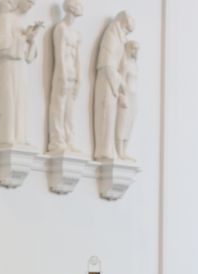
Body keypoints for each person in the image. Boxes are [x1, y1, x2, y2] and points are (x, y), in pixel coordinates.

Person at [0, 0, 43, 148]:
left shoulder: (22, 22)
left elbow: (29, 57)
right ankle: (7, 137)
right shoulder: (6, 18)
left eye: (33, 4)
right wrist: (24, 38)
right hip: (8, 66)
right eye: (29, 2)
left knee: (20, 101)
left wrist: (31, 41)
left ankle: (20, 137)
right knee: (9, 99)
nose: (31, 6)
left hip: (21, 67)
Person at [93, 11, 134, 161]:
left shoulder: (119, 38)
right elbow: (106, 64)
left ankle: (110, 149)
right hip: (107, 81)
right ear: (122, 24)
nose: (126, 34)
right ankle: (104, 151)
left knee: (112, 116)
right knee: (106, 114)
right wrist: (120, 82)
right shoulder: (111, 36)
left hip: (113, 81)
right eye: (126, 30)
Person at [46, 0, 83, 155]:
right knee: (59, 106)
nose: (82, 6)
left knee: (70, 109)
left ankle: (69, 140)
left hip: (73, 72)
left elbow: (78, 57)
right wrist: (61, 74)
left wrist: (79, 77)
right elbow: (59, 54)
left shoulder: (77, 33)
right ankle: (57, 140)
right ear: (71, 7)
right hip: (63, 71)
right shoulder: (61, 28)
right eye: (80, 3)